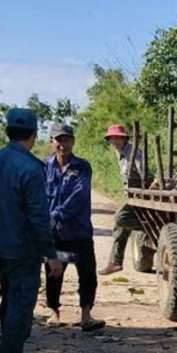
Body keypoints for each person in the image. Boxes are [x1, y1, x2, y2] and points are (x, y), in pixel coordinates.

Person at [0, 108, 63, 353]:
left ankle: (10, 350)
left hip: (0, 245)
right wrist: (50, 255)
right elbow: (38, 216)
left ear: (7, 131)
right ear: (34, 133)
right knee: (21, 303)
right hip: (23, 247)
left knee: (9, 297)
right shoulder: (31, 167)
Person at [44, 123, 105, 332]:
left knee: (88, 274)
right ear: (51, 141)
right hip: (55, 234)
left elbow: (78, 197)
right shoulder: (44, 167)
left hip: (79, 231)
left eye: (67, 139)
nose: (63, 144)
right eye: (59, 139)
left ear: (73, 141)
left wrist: (55, 215)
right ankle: (54, 312)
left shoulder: (82, 167)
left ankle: (86, 315)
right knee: (53, 273)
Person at [98, 123, 147, 275]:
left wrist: (144, 190)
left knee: (120, 218)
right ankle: (115, 262)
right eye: (112, 139)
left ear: (124, 139)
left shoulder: (133, 153)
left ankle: (147, 228)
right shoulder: (119, 154)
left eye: (118, 138)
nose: (114, 142)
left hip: (138, 195)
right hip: (129, 195)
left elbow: (145, 174)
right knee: (120, 227)